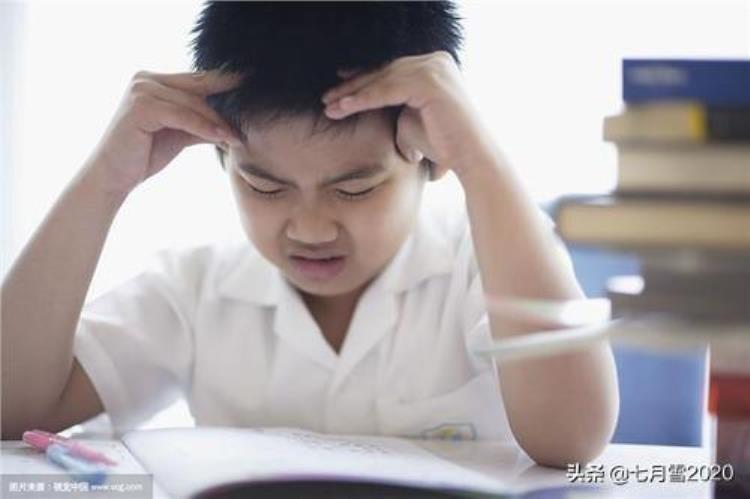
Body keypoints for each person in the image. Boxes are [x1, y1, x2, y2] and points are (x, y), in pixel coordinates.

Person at [1, 1, 618, 468]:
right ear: (222, 158)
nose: (310, 228)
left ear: (428, 157)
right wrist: (104, 181)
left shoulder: (484, 258)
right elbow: (10, 408)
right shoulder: (193, 286)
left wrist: (481, 162)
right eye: (264, 187)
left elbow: (571, 441)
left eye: (355, 189)